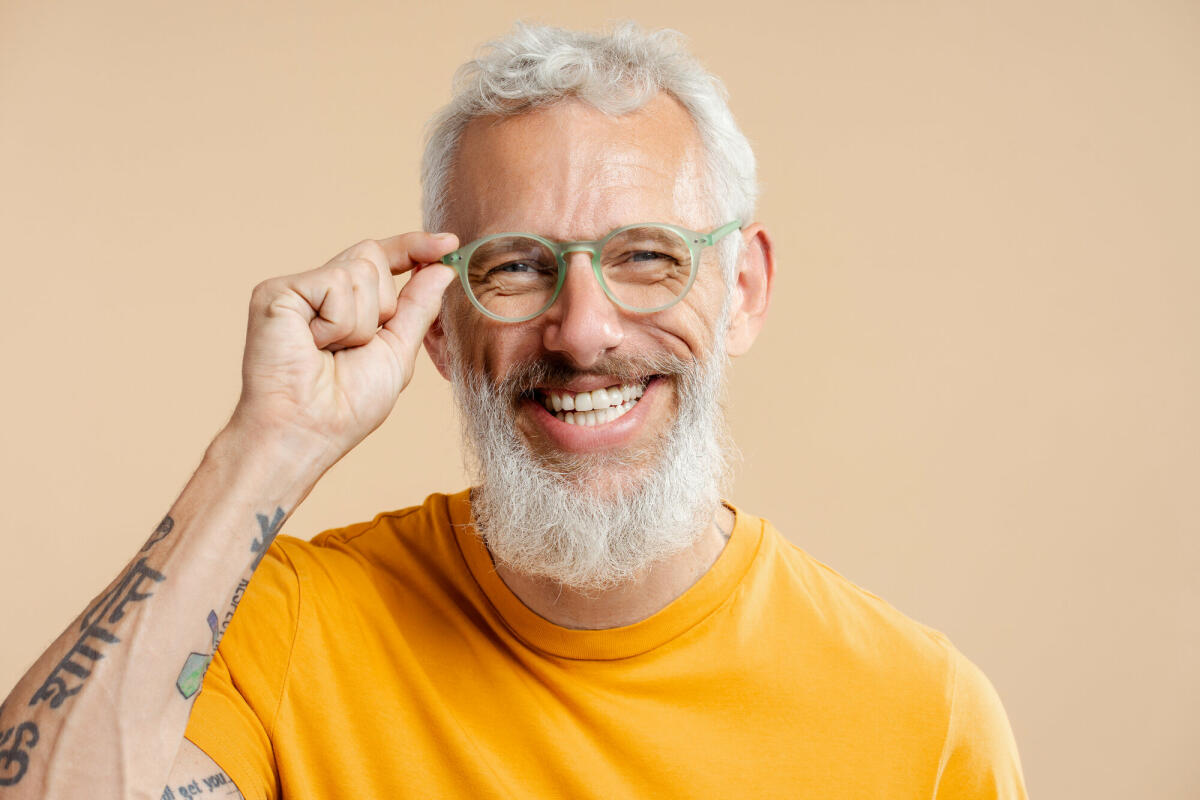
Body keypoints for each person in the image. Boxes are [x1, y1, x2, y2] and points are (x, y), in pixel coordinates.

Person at [0, 22, 1027, 799]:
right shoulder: (288, 627)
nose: (583, 331)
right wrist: (266, 446)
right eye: (520, 267)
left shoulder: (924, 716)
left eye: (645, 256)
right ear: (440, 323)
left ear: (745, 289)